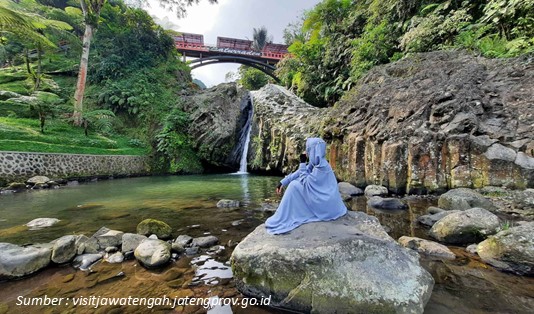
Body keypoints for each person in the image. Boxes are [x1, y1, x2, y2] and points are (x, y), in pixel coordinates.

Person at [265, 137, 347, 234]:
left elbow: (305, 181)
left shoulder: (321, 168)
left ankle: (284, 215)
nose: (306, 152)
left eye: (309, 149)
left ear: (314, 151)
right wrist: (283, 182)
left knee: (294, 186)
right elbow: (300, 172)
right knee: (294, 184)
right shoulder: (318, 163)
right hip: (324, 200)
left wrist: (302, 163)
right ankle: (286, 214)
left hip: (326, 205)